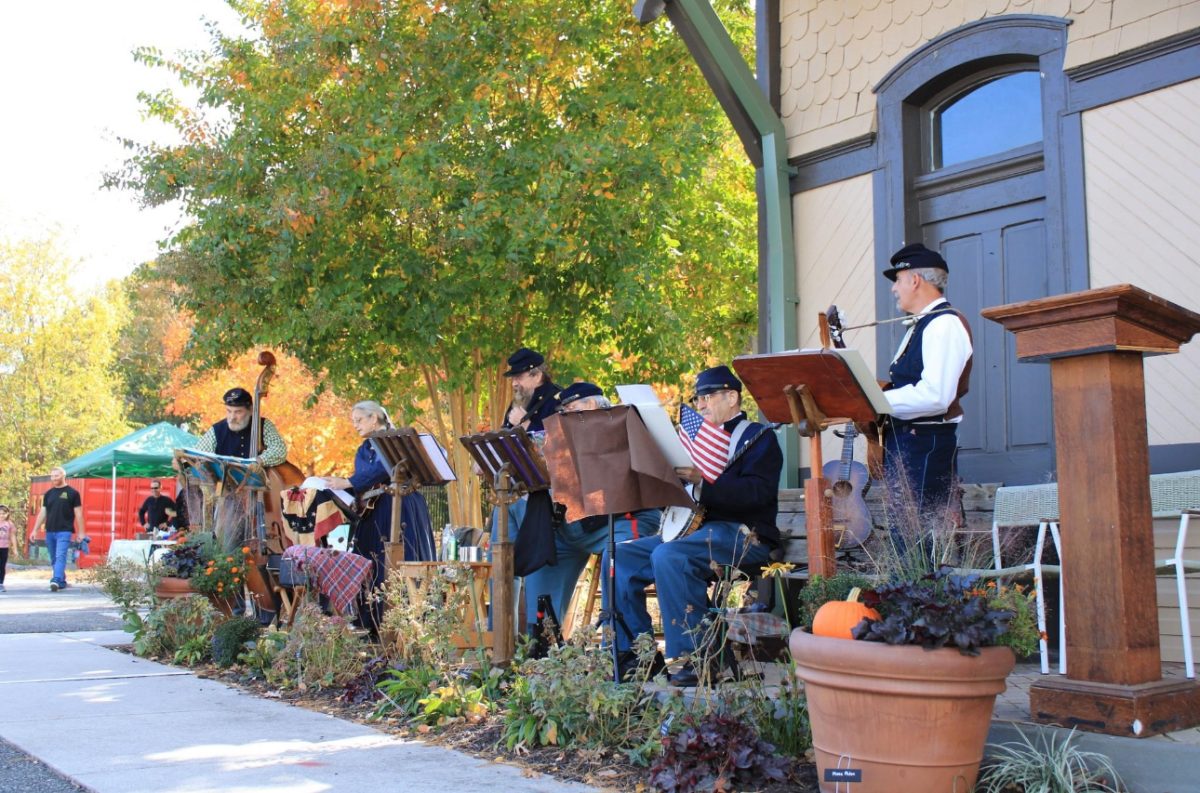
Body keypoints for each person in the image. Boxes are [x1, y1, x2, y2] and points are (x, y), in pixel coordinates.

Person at [604, 366, 781, 685]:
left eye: (708, 396)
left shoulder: (758, 438)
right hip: (694, 533)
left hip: (743, 536)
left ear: (732, 397)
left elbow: (758, 495)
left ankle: (697, 659)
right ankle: (637, 655)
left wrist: (704, 482)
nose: (700, 405)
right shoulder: (691, 443)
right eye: (698, 398)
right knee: (618, 556)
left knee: (670, 556)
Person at [521, 382, 662, 632]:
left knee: (617, 557)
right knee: (540, 551)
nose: (566, 416)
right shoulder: (563, 439)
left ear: (594, 405)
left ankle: (621, 647)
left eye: (572, 408)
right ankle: (540, 644)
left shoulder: (624, 426)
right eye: (564, 411)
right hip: (572, 526)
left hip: (621, 521)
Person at [879, 242, 973, 533]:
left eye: (897, 280)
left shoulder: (943, 325)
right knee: (906, 539)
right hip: (910, 442)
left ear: (915, 279)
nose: (894, 288)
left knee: (918, 542)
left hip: (924, 443)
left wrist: (875, 401)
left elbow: (936, 396)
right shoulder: (923, 325)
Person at [322, 400, 437, 634]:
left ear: (374, 418)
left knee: (402, 557)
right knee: (369, 560)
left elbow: (386, 468)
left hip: (400, 503)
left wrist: (349, 482)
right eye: (353, 421)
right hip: (371, 509)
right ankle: (371, 621)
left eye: (359, 420)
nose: (355, 425)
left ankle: (406, 621)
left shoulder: (396, 442)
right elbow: (364, 476)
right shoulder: (364, 448)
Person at [194, 387, 288, 466]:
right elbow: (196, 455)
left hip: (261, 486)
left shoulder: (263, 425)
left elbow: (279, 450)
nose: (232, 418)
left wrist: (259, 461)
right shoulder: (217, 430)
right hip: (226, 487)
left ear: (251, 410)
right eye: (229, 411)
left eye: (238, 412)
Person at [31, 466, 84, 592]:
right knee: (54, 558)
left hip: (64, 531)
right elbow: (43, 513)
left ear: (63, 476)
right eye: (52, 476)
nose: (54, 478)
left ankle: (55, 579)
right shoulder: (49, 494)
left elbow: (79, 514)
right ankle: (61, 580)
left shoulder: (73, 493)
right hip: (50, 531)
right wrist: (35, 530)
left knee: (60, 556)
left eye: (56, 475)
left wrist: (82, 532)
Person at [501, 347, 561, 433]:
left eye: (519, 377)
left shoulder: (559, 400)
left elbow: (560, 441)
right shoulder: (520, 398)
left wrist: (526, 425)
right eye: (512, 379)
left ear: (537, 376)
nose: (514, 384)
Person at [0, 505, 12, 593]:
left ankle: (1, 583)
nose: (1, 515)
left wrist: (15, 549)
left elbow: (13, 536)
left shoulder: (9, 524)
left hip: (4, 548)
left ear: (7, 514)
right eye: (0, 513)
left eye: (4, 513)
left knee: (2, 566)